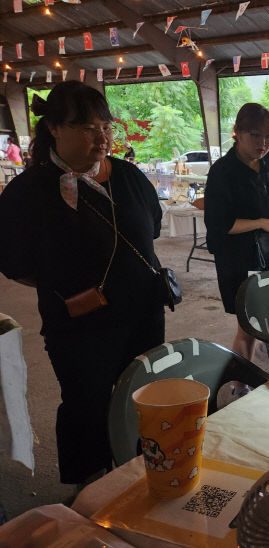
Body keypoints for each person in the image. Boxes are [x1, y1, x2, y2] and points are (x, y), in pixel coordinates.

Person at [0, 81, 164, 486]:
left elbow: (153, 227)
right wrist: (65, 288)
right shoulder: (28, 191)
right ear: (55, 128)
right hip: (80, 324)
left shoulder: (127, 176)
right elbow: (14, 263)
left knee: (143, 395)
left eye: (106, 127)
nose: (102, 137)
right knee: (86, 404)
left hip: (143, 312)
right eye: (89, 128)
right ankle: (91, 487)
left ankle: (138, 474)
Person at [205, 103, 269, 358]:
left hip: (268, 254)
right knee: (249, 324)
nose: (263, 143)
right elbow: (220, 224)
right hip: (238, 259)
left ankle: (264, 369)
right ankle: (241, 381)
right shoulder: (223, 172)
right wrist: (261, 222)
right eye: (256, 135)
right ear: (237, 132)